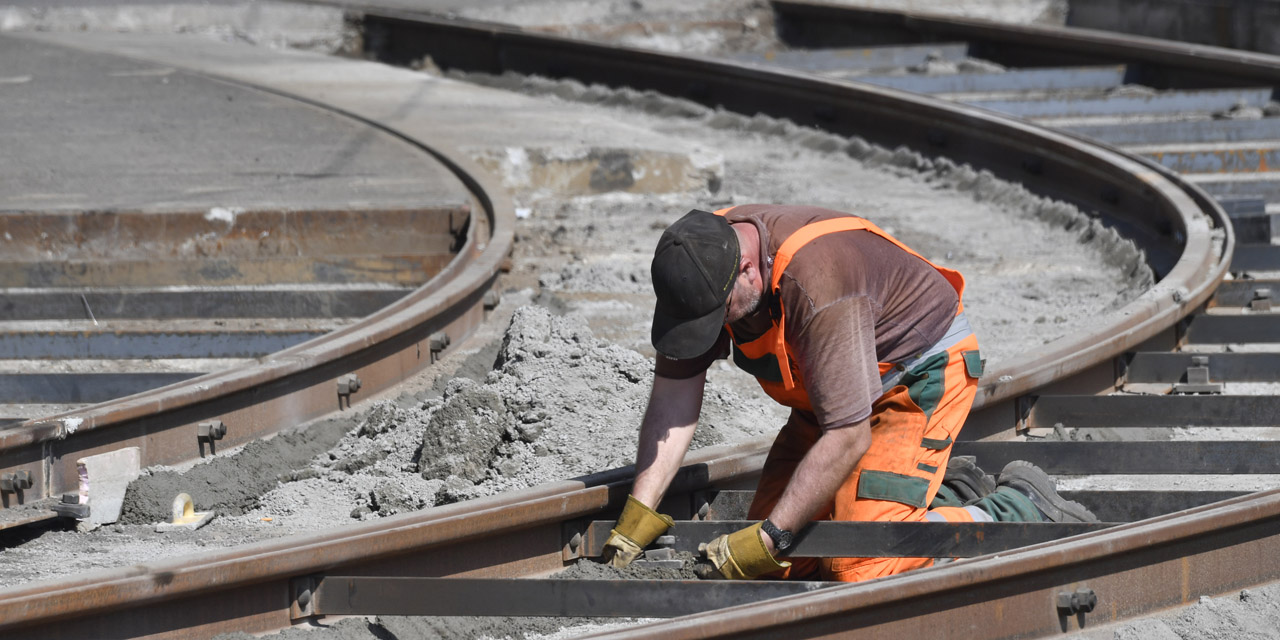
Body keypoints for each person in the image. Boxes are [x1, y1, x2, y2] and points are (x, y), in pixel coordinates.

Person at [602, 205, 1096, 583]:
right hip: (830, 400)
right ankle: (942, 495)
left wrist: (773, 537)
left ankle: (1015, 509)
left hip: (913, 378)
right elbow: (673, 395)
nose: (713, 329)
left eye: (718, 316)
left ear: (749, 269)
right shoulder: (701, 258)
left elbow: (848, 435)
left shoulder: (817, 284)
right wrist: (638, 512)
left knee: (859, 563)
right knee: (783, 566)